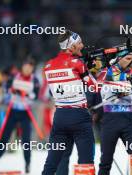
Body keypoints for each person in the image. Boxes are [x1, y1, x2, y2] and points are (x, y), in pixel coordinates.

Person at [42, 30, 97, 175]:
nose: (82, 45)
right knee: (86, 162)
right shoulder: (77, 63)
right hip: (79, 116)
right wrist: (91, 69)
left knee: (52, 162)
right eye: (79, 43)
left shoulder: (48, 65)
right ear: (70, 46)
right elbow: (94, 87)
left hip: (59, 116)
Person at [0, 58, 40, 173]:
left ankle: (27, 163)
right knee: (4, 136)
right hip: (13, 110)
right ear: (22, 67)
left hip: (25, 112)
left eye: (29, 67)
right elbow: (6, 88)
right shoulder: (15, 76)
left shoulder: (34, 79)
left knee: (26, 140)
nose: (27, 69)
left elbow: (35, 95)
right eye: (25, 66)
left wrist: (25, 93)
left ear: (32, 69)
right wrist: (13, 90)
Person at [96, 49, 132, 175]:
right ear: (119, 58)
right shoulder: (106, 71)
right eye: (127, 58)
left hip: (128, 120)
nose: (130, 61)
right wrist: (127, 83)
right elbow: (108, 81)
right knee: (105, 162)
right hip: (109, 120)